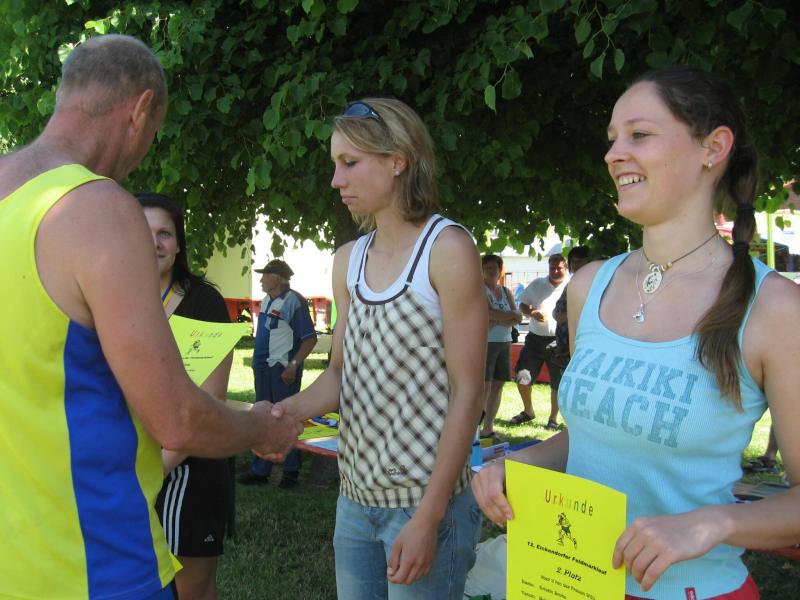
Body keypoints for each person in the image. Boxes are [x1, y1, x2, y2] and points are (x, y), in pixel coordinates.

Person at [472, 66, 800, 599]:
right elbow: (599, 433)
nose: (613, 154)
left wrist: (714, 523)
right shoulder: (590, 286)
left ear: (713, 148)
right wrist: (521, 462)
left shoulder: (774, 308)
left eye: (639, 134)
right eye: (612, 138)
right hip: (568, 583)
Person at [0, 34, 301, 599]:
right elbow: (177, 419)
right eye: (154, 131)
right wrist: (263, 426)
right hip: (93, 568)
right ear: (140, 110)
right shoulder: (97, 207)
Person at [273, 98, 486, 599]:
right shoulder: (348, 259)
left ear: (398, 161)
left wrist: (429, 516)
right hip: (354, 500)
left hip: (425, 502)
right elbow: (338, 376)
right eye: (335, 164)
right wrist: (280, 416)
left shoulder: (447, 249)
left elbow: (469, 392)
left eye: (350, 163)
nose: (336, 180)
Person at [137, 192, 232, 600]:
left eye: (165, 233)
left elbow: (211, 402)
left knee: (188, 589)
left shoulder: (204, 302)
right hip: (134, 464)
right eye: (143, 232)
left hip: (188, 469)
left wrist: (155, 470)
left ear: (178, 244)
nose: (154, 243)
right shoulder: (118, 298)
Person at [240, 259, 318, 488]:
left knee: (286, 416)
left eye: (265, 275)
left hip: (282, 369)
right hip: (263, 367)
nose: (261, 279)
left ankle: (291, 472)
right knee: (262, 415)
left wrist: (293, 365)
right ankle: (260, 469)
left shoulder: (294, 301)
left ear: (279, 278)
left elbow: (310, 339)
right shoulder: (267, 300)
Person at [510, 253, 568, 429]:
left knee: (558, 381)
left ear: (566, 267)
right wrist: (531, 313)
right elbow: (522, 304)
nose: (555, 271)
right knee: (522, 375)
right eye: (552, 268)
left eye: (559, 268)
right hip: (534, 339)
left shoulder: (571, 286)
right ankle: (528, 411)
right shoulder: (537, 284)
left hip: (559, 340)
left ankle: (553, 418)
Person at [480, 254, 522, 438]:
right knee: (485, 386)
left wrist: (497, 318)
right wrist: (506, 316)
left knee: (498, 385)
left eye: (494, 268)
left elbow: (518, 317)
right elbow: (488, 313)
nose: (491, 271)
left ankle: (488, 428)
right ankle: (475, 429)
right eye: (487, 267)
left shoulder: (505, 291)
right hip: (486, 343)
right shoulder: (479, 290)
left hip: (505, 342)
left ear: (500, 270)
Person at [548, 245, 591, 371]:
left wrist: (566, 316)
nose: (575, 265)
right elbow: (557, 311)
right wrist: (557, 315)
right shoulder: (571, 283)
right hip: (565, 345)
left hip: (580, 345)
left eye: (579, 261)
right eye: (573, 261)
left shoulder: (591, 284)